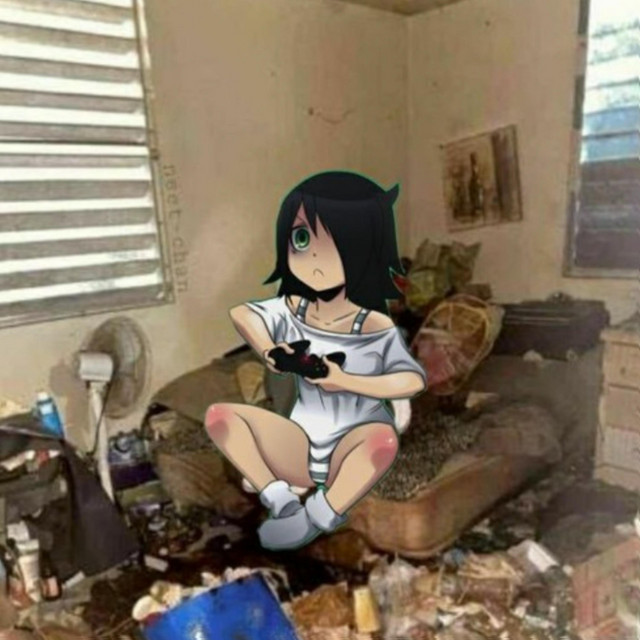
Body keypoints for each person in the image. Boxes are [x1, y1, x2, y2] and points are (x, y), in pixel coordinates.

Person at [205, 171, 427, 551]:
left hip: (351, 446)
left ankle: (319, 514)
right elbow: (244, 315)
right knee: (220, 418)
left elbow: (411, 381)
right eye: (301, 240)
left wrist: (346, 381)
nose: (311, 258)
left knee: (382, 440)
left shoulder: (373, 324)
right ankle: (282, 501)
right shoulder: (294, 310)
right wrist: (270, 351)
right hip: (303, 443)